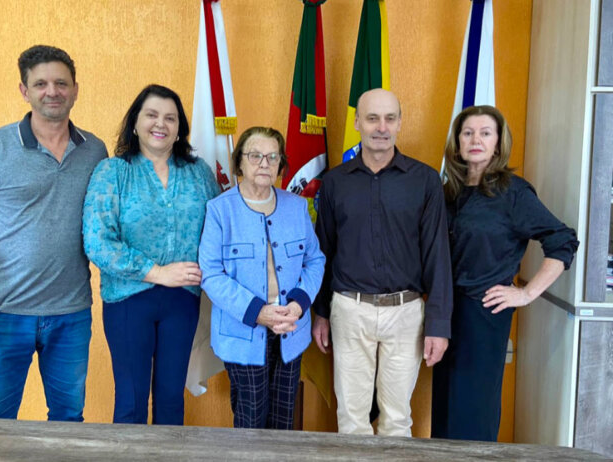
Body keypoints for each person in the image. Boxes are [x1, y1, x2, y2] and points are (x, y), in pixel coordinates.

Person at [0, 45, 108, 421]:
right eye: (40, 83)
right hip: (1, 315)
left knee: (68, 421)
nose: (51, 91)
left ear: (75, 89)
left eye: (60, 83)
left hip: (71, 314)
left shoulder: (95, 151)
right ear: (24, 90)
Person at [431, 105, 578, 441]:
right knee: (445, 407)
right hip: (444, 312)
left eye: (485, 133)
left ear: (498, 143)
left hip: (484, 314)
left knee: (473, 411)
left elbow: (562, 240)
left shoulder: (513, 192)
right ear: (457, 142)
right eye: (467, 133)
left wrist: (526, 293)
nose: (475, 140)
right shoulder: (448, 191)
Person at [311, 88, 453, 436]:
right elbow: (322, 252)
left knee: (397, 419)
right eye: (372, 118)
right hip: (350, 309)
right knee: (352, 419)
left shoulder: (425, 181)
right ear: (357, 122)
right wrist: (321, 312)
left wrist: (438, 323)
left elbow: (437, 253)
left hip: (406, 313)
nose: (381, 127)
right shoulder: (334, 183)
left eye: (390, 118)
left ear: (400, 123)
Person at [83, 84, 219, 425]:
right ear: (135, 123)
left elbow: (221, 228)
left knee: (172, 401)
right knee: (130, 401)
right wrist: (158, 272)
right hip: (129, 301)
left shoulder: (199, 173)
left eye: (170, 118)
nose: (161, 124)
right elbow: (98, 241)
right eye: (152, 115)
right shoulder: (112, 172)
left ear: (179, 129)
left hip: (183, 301)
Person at [199, 126, 325, 429]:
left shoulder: (296, 207)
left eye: (272, 156)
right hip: (242, 332)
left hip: (291, 329)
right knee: (250, 420)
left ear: (281, 164)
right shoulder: (220, 210)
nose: (264, 163)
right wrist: (259, 312)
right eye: (255, 155)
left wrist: (298, 305)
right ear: (239, 162)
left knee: (284, 420)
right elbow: (211, 274)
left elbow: (315, 259)